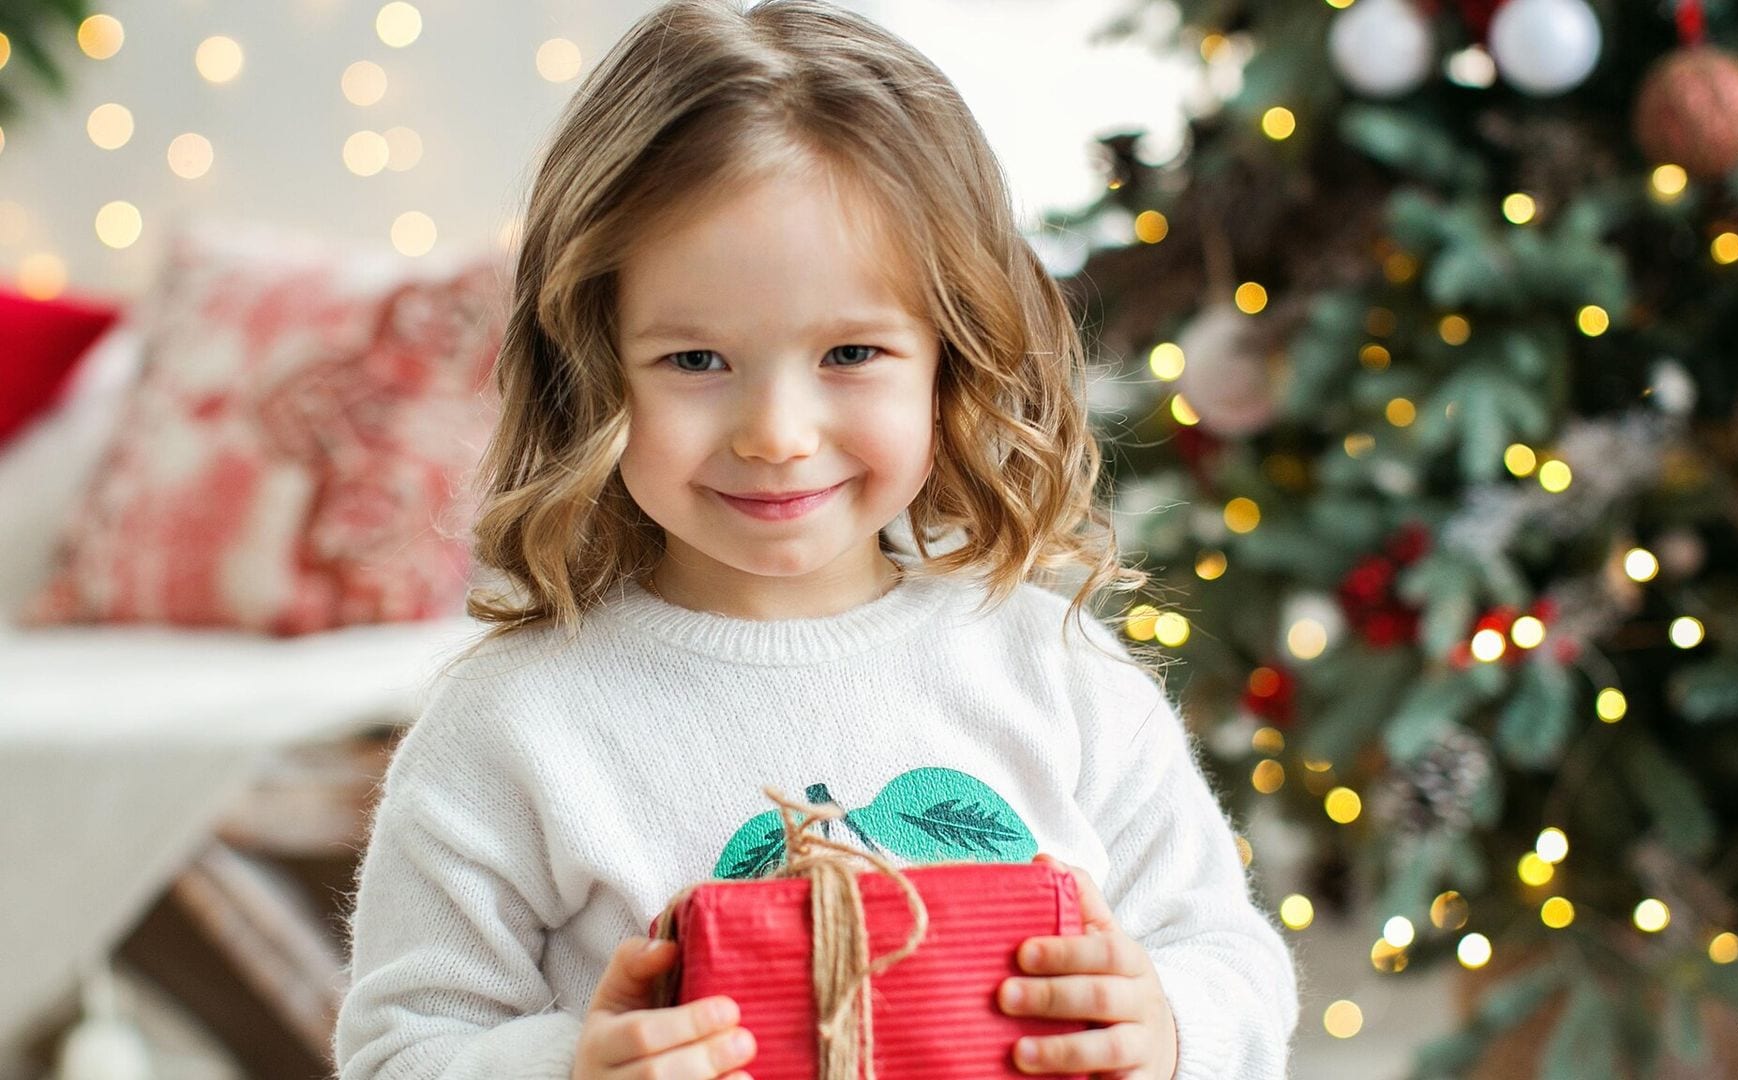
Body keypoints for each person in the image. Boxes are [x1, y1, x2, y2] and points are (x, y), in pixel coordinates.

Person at [331, 1, 1299, 1077]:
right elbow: (397, 1051)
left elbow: (1227, 954)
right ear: (592, 367)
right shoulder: (515, 728)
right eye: (696, 361)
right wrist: (568, 1069)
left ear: (953, 357)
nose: (778, 436)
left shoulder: (1053, 673)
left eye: (849, 352)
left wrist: (1169, 1025)